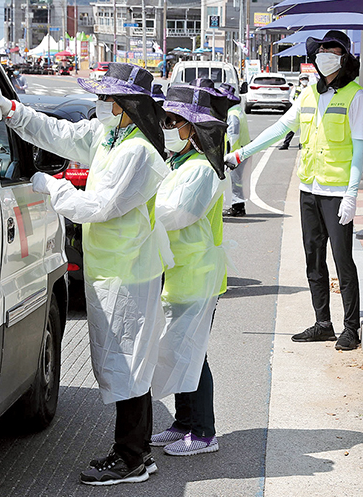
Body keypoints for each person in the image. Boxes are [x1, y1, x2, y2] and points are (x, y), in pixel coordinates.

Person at [0, 62, 172, 486]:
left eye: (108, 99)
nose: (100, 104)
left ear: (128, 105)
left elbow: (96, 207)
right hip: (112, 268)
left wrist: (52, 186)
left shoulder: (138, 152)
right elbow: (62, 134)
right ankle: (138, 449)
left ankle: (131, 458)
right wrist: (12, 110)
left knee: (126, 364)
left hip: (129, 272)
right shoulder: (111, 135)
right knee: (123, 361)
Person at [225, 30, 363, 351]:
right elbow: (280, 128)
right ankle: (323, 323)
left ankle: (351, 327)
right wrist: (242, 153)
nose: (324, 55)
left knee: (343, 260)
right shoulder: (308, 95)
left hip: (337, 194)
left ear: (344, 56)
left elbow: (359, 150)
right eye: (320, 50)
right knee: (313, 258)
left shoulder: (357, 97)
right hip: (309, 189)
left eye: (331, 50)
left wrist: (352, 194)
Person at [150, 79, 229, 456]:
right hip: (179, 273)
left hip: (197, 273)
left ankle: (203, 433)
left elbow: (177, 214)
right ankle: (183, 422)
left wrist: (132, 213)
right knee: (178, 349)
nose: (166, 128)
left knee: (193, 352)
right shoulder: (178, 163)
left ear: (192, 128)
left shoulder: (201, 170)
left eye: (172, 122)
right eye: (165, 121)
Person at [219, 82, 250, 217]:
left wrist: (230, 154)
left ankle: (238, 208)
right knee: (238, 181)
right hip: (242, 150)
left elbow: (233, 136)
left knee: (235, 181)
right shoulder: (237, 110)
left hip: (237, 152)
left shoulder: (232, 114)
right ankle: (237, 206)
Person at [279, 72, 310, 150]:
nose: (304, 80)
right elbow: (291, 98)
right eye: (302, 79)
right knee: (292, 127)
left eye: (306, 79)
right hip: (296, 110)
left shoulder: (310, 89)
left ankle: (301, 144)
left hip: (306, 110)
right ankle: (286, 143)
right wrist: (295, 104)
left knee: (304, 128)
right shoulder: (296, 88)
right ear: (300, 80)